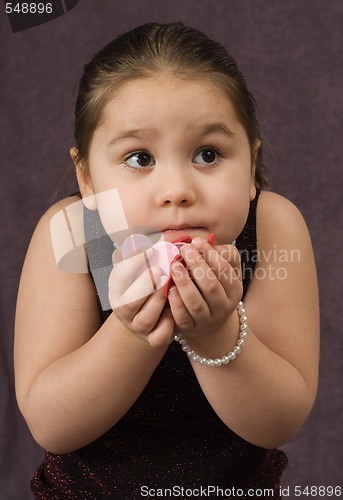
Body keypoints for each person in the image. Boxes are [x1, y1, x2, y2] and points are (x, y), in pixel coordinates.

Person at [14, 22, 319, 499]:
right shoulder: (73, 231)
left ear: (252, 167)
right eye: (139, 158)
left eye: (208, 154)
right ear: (88, 179)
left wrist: (214, 333)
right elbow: (51, 424)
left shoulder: (276, 225)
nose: (177, 191)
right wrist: (131, 333)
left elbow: (278, 422)